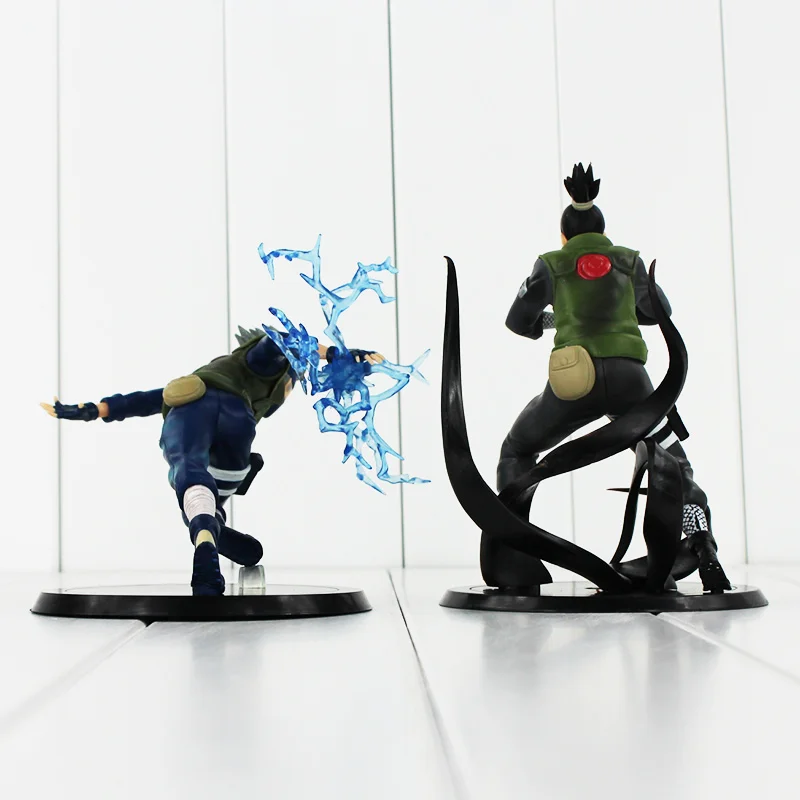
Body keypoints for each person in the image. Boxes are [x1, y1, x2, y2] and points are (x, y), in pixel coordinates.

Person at [497, 162, 727, 587]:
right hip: (630, 383)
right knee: (673, 463)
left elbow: (517, 321)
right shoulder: (628, 260)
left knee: (517, 450)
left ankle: (514, 559)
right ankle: (700, 542)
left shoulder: (551, 262)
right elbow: (660, 311)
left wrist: (552, 321)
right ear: (603, 231)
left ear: (564, 236)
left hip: (574, 380)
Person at [42, 327, 382, 595]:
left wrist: (94, 410)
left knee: (191, 477)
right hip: (233, 423)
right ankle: (209, 527)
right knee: (216, 484)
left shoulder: (222, 380)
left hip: (194, 411)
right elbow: (283, 338)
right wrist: (337, 354)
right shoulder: (257, 363)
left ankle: (208, 532)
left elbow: (148, 400)